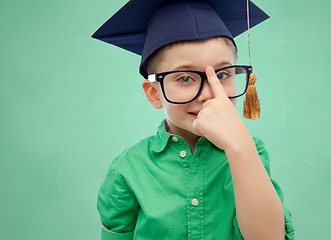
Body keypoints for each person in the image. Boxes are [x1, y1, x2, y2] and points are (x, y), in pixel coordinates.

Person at [92, 0, 294, 239]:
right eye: (185, 78)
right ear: (154, 93)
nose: (210, 93)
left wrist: (239, 147)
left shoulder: (252, 152)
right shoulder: (128, 168)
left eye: (222, 74)